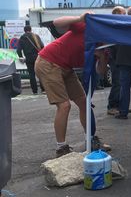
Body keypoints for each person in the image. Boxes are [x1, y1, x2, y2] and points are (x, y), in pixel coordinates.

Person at [34, 12, 110, 158]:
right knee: (64, 105)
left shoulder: (104, 45)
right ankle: (61, 148)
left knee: (84, 102)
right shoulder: (86, 28)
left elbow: (100, 72)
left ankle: (91, 141)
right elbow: (57, 22)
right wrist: (80, 18)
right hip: (48, 62)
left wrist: (101, 57)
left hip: (66, 67)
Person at [106, 6, 126, 115]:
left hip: (119, 58)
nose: (125, 15)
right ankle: (112, 106)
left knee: (121, 83)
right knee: (117, 83)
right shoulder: (113, 25)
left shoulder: (117, 25)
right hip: (115, 59)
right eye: (124, 13)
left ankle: (120, 105)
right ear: (118, 13)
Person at [17, 25, 45, 94]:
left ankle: (34, 91)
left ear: (24, 30)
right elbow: (42, 46)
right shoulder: (36, 36)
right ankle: (43, 89)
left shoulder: (22, 37)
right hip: (38, 58)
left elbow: (18, 50)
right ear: (31, 29)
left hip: (29, 58)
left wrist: (21, 57)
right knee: (40, 73)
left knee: (31, 75)